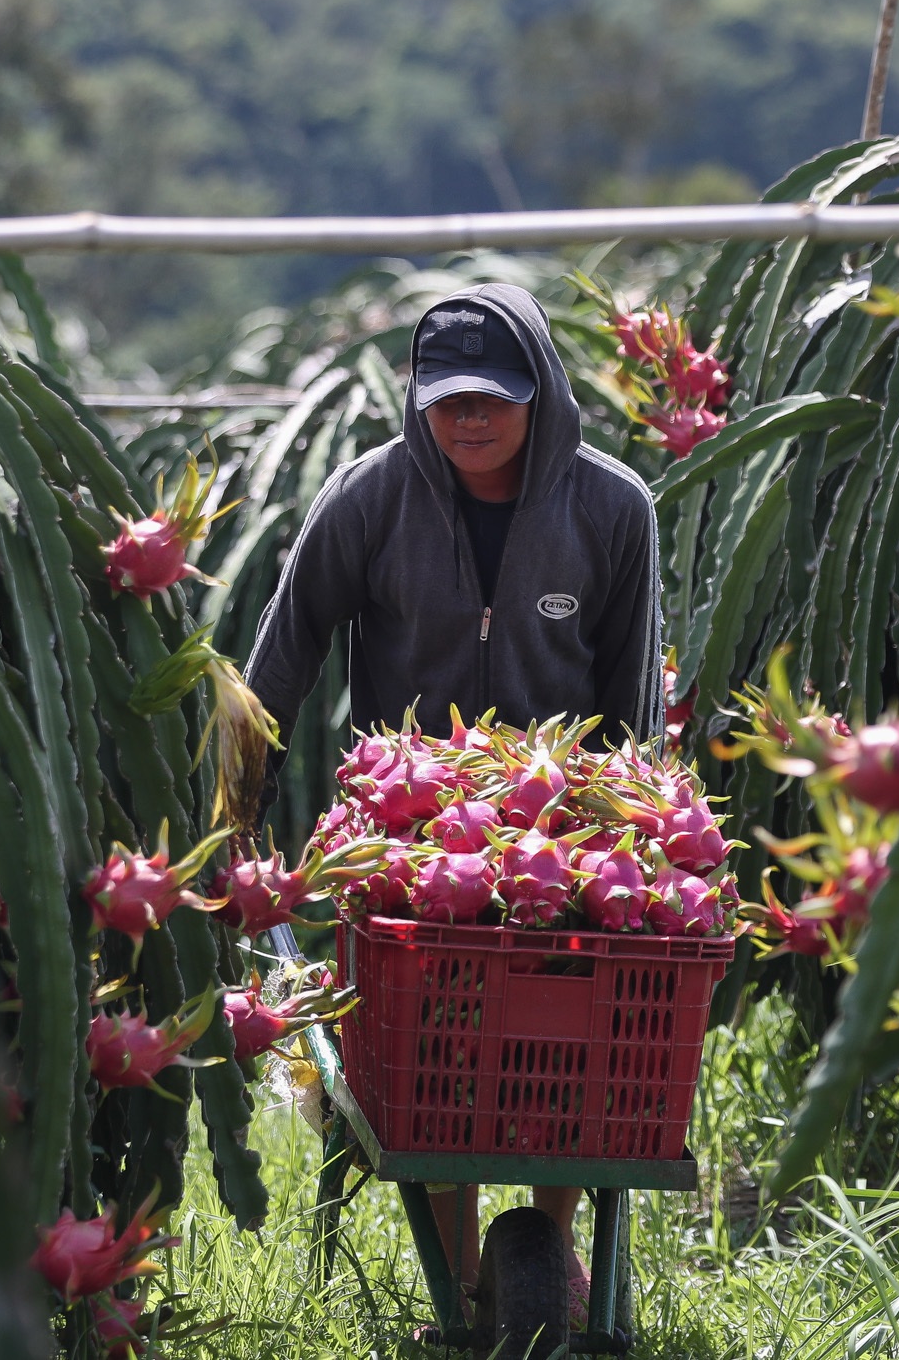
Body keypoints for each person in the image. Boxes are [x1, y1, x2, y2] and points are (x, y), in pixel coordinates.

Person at [243, 281, 663, 1318]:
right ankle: (463, 1280)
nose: (469, 419)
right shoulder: (368, 498)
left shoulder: (612, 508)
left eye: (494, 397)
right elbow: (283, 652)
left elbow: (630, 693)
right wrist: (233, 805)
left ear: (542, 393)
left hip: (558, 837)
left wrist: (637, 848)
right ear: (418, 399)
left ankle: (549, 1256)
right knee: (435, 1064)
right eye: (448, 399)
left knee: (567, 1058)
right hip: (407, 832)